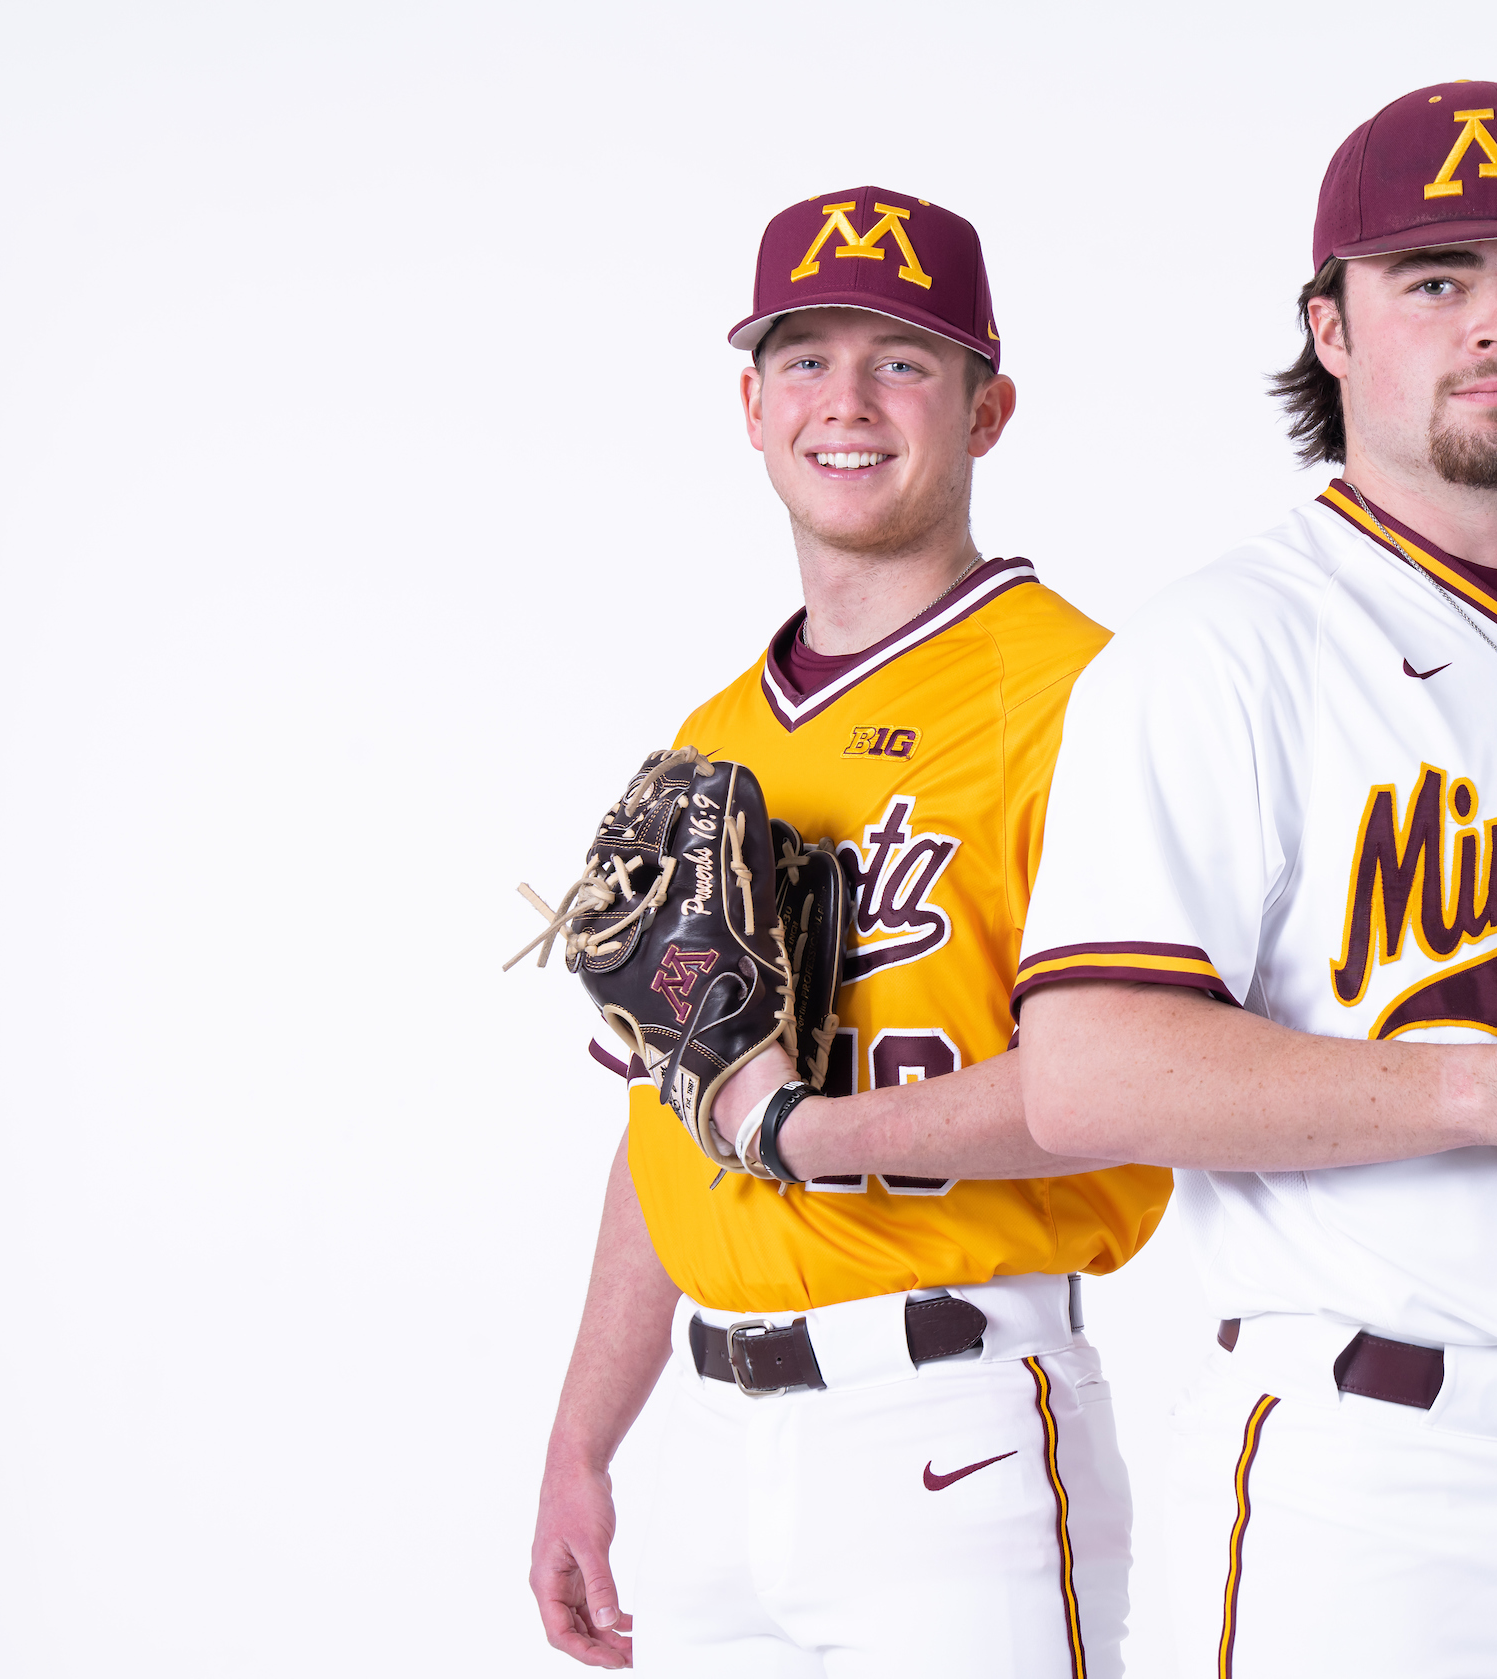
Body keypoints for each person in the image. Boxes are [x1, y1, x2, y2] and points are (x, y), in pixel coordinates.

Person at [1015, 84, 1497, 1677]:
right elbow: (1086, 1079)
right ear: (1330, 325)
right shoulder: (1222, 650)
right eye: (1435, 278)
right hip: (1374, 1495)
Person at [528, 186, 1171, 1677]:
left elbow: (1139, 1075)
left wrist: (796, 1127)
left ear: (987, 408)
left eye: (903, 360)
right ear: (752, 407)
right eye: (807, 358)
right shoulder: (715, 737)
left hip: (955, 1424)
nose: (849, 402)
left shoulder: (1091, 699)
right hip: (707, 1454)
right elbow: (672, 1113)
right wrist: (582, 1441)